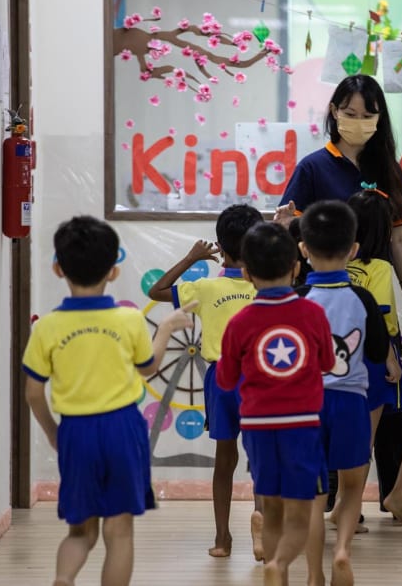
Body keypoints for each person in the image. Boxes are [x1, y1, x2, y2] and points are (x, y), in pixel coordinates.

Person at [22, 215, 196, 586]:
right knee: (119, 533)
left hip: (76, 431)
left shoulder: (46, 328)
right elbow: (148, 368)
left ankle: (64, 578)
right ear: (114, 272)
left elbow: (33, 393)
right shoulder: (128, 320)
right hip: (121, 429)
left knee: (80, 532)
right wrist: (165, 328)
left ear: (57, 268)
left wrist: (55, 434)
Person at [216, 222, 335, 586]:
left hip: (256, 428)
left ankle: (275, 569)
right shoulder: (313, 314)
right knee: (302, 515)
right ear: (297, 267)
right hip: (302, 425)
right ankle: (280, 562)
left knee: (270, 509)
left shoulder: (239, 322)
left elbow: (224, 380)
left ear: (247, 273)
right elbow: (328, 364)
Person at [147, 203, 265, 559]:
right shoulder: (268, 286)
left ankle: (222, 539)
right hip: (262, 378)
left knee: (224, 461)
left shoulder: (205, 288)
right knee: (261, 459)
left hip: (222, 380)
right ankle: (263, 527)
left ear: (220, 248)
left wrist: (191, 257)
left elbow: (157, 290)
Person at [274, 73, 402, 342]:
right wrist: (283, 228)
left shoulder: (388, 169)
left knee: (383, 374)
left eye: (368, 115)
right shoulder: (312, 168)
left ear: (380, 118)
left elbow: (399, 241)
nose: (359, 122)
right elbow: (291, 240)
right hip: (324, 309)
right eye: (350, 113)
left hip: (378, 308)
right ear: (334, 111)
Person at [296, 200, 390, 586]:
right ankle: (343, 552)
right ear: (353, 250)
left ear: (303, 249)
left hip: (308, 405)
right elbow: (376, 352)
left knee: (315, 497)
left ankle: (314, 574)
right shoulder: (363, 299)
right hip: (352, 402)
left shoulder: (297, 300)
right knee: (352, 485)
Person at [344, 188, 402, 523]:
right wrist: (392, 355)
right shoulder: (380, 267)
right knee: (364, 444)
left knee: (349, 439)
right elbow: (380, 318)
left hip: (343, 360)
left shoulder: (337, 266)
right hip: (376, 361)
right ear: (383, 230)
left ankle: (345, 506)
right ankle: (350, 512)